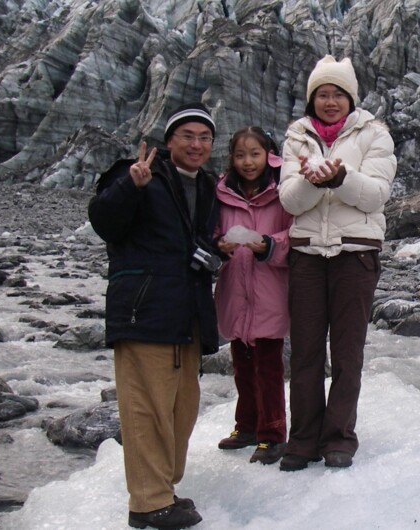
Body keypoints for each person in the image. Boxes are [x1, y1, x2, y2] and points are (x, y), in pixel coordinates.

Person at [88, 103, 220, 529]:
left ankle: (163, 488)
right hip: (144, 310)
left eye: (204, 137)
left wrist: (215, 255)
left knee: (181, 409)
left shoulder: (208, 186)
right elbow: (104, 221)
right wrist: (131, 185)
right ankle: (147, 503)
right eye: (188, 136)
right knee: (146, 408)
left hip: (187, 312)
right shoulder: (138, 173)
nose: (196, 144)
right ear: (170, 140)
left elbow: (198, 243)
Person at [277, 55, 397, 471]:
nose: (330, 101)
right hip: (307, 254)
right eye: (322, 94)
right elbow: (289, 200)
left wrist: (339, 178)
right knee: (306, 352)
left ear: (350, 98)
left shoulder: (374, 134)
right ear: (312, 100)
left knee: (347, 352)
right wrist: (315, 183)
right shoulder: (297, 136)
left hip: (356, 254)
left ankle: (339, 437)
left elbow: (377, 195)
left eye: (338, 94)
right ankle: (303, 439)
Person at [213, 126, 293, 465]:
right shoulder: (221, 193)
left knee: (269, 368)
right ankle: (246, 427)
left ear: (268, 154)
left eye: (255, 154)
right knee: (242, 366)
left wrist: (270, 245)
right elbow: (212, 233)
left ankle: (273, 434)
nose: (248, 162)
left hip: (269, 292)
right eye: (241, 155)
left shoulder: (283, 191)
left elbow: (295, 234)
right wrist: (220, 246)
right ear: (231, 158)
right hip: (236, 291)